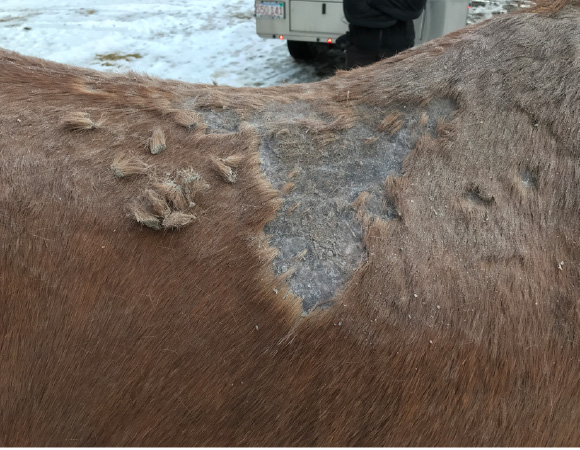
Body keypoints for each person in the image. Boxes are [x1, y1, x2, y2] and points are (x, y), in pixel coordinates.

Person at [341, 0, 428, 69]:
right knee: (355, 89)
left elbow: (413, 8)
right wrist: (395, 13)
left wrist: (370, 1)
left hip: (398, 52)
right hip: (360, 50)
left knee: (395, 90)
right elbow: (353, 10)